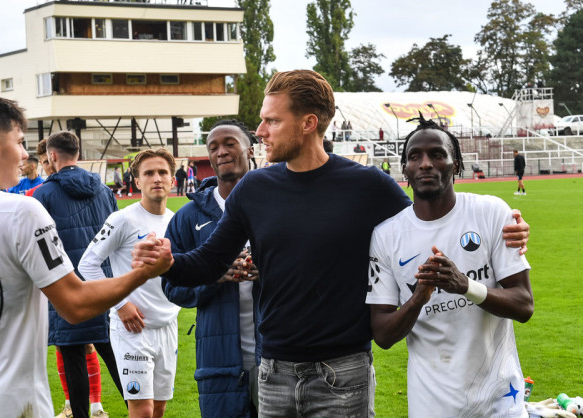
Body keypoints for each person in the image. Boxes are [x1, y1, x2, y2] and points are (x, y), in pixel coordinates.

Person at [133, 70, 530, 417]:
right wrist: (167, 262)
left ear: (307, 123)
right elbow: (208, 261)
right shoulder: (254, 189)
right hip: (273, 373)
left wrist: (509, 228)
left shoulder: (366, 186)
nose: (261, 131)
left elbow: (424, 225)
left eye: (271, 121)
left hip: (345, 373)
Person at [0, 93, 171, 417]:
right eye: (19, 142)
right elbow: (75, 304)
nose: (23, 153)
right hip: (4, 405)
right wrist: (143, 272)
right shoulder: (21, 211)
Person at [367, 116, 533, 417]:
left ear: (455, 164)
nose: (426, 163)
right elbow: (382, 334)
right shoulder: (386, 236)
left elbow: (524, 305)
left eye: (437, 154)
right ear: (405, 169)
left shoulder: (492, 213)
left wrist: (466, 286)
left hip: (499, 404)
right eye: (414, 156)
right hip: (432, 406)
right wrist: (419, 297)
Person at [162, 119, 261, 417]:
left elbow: (306, 269)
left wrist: (266, 270)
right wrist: (213, 276)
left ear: (250, 149)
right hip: (217, 360)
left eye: (230, 143)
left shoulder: (277, 204)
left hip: (277, 354)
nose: (221, 152)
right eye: (213, 147)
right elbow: (171, 286)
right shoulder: (187, 217)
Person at [79, 149, 180, 418]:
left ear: (173, 180)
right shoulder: (122, 219)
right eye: (148, 173)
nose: (156, 178)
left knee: (158, 409)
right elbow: (87, 264)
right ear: (137, 182)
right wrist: (120, 305)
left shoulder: (175, 221)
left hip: (167, 325)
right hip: (132, 329)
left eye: (162, 173)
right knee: (142, 410)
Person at [32, 131, 120, 418]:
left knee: (73, 360)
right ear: (78, 154)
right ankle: (143, 411)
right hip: (104, 286)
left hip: (65, 289)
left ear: (52, 156)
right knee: (117, 358)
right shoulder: (105, 191)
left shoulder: (43, 194)